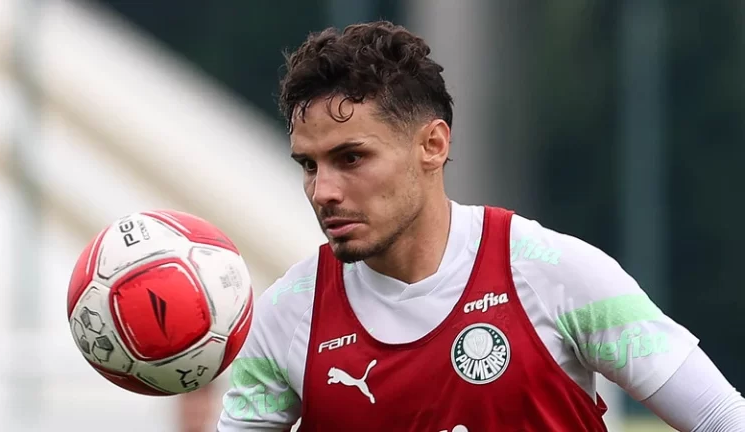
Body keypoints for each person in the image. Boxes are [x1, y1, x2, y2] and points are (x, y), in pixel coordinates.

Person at [217, 20, 745, 431]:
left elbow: (722, 418)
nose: (322, 190)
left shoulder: (556, 275)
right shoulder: (288, 314)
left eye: (350, 158)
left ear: (433, 145)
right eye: (308, 165)